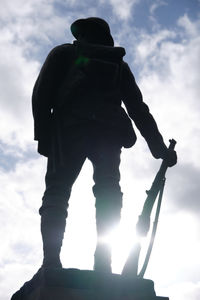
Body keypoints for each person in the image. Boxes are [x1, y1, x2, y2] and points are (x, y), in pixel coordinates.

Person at [32, 17, 177, 273]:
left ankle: (51, 262)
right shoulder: (118, 65)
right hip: (108, 134)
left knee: (57, 193)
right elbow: (138, 110)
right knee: (108, 192)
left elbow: (41, 95)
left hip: (68, 129)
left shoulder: (64, 53)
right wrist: (159, 149)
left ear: (82, 35)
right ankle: (103, 264)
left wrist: (44, 136)